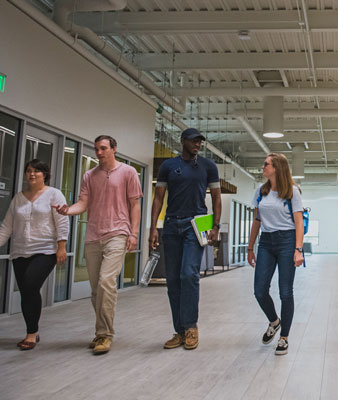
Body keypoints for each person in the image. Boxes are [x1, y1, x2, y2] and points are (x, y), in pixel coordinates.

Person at [54, 136, 143, 355]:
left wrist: (134, 233)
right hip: (93, 235)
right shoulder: (89, 176)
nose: (99, 153)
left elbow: (135, 204)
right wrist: (68, 210)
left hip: (118, 233)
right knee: (96, 290)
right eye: (96, 149)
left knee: (106, 282)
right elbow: (83, 203)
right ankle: (101, 331)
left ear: (114, 149)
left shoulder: (128, 172)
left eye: (103, 148)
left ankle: (105, 334)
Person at [149, 128, 221, 351]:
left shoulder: (209, 166)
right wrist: (153, 228)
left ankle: (191, 327)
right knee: (173, 279)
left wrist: (215, 226)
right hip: (171, 224)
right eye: (193, 141)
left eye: (200, 142)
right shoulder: (169, 166)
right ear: (182, 142)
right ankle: (179, 331)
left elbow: (217, 199)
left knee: (189, 274)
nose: (197, 144)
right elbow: (158, 198)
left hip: (196, 224)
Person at [0, 160, 68, 350]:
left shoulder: (54, 194)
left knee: (30, 285)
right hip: (20, 251)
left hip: (46, 250)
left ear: (44, 174)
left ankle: (31, 333)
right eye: (29, 171)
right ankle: (32, 331)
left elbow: (62, 222)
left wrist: (61, 246)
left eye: (37, 171)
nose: (32, 174)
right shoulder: (18, 198)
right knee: (26, 292)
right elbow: (7, 226)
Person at [247, 153, 305, 355]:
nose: (262, 167)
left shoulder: (292, 192)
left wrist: (298, 249)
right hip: (266, 242)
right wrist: (250, 247)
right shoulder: (260, 192)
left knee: (285, 291)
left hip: (287, 241)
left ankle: (284, 337)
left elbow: (298, 222)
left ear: (277, 168)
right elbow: (257, 221)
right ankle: (274, 321)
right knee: (259, 290)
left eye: (266, 164)